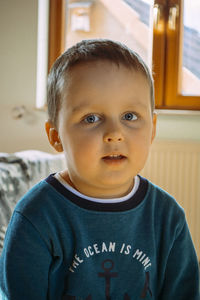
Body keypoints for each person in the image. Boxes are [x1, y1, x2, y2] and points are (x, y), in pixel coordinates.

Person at [0, 39, 199, 300]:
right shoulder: (36, 217)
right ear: (55, 135)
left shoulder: (166, 216)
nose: (115, 133)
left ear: (152, 128)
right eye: (91, 118)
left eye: (129, 116)